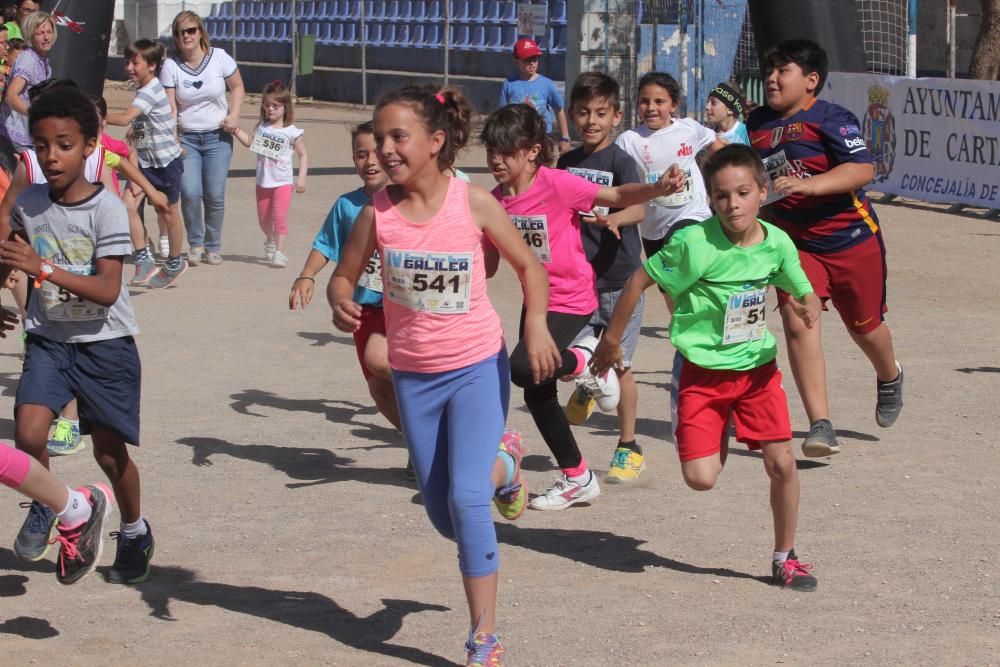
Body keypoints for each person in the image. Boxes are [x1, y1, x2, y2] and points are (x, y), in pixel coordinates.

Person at [330, 84, 560, 666]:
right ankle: (505, 464)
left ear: (436, 142)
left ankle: (484, 636)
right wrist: (338, 299)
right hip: (415, 378)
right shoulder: (375, 214)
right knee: (441, 513)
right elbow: (345, 274)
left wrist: (535, 329)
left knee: (465, 499)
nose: (384, 149)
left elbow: (530, 266)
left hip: (477, 366)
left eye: (397, 137)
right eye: (378, 138)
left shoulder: (474, 203)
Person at [592, 144, 822, 591]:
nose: (732, 204)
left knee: (783, 463)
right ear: (711, 199)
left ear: (762, 191)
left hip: (757, 371)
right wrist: (613, 338)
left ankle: (785, 557)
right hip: (702, 372)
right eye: (721, 196)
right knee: (701, 479)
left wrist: (809, 303)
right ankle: (698, 413)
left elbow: (801, 287)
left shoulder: (776, 243)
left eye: (742, 193)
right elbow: (640, 279)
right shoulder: (693, 244)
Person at [481, 103, 685, 511]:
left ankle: (587, 359)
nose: (496, 161)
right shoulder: (493, 202)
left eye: (506, 151)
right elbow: (486, 267)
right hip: (536, 302)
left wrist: (658, 189)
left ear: (533, 151)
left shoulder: (556, 183)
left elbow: (615, 195)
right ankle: (578, 477)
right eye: (491, 151)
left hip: (572, 298)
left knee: (523, 369)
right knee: (538, 395)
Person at [0, 85, 154, 585]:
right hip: (48, 339)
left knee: (109, 454)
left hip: (104, 344)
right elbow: (11, 258)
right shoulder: (29, 204)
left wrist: (42, 268)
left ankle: (133, 529)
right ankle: (49, 504)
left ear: (90, 145)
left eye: (64, 144)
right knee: (27, 432)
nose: (52, 156)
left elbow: (109, 289)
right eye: (42, 146)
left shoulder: (106, 209)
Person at [747, 39, 903, 457]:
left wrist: (810, 185)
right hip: (795, 244)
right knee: (799, 322)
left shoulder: (833, 119)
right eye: (770, 70)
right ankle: (820, 424)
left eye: (784, 71)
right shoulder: (756, 122)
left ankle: (889, 376)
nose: (772, 78)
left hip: (851, 238)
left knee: (864, 329)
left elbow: (863, 167)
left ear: (811, 80)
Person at [290, 121, 412, 468]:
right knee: (378, 389)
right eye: (361, 154)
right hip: (364, 312)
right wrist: (307, 274)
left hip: (402, 310)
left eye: (376, 152)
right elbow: (326, 245)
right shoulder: (347, 206)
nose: (370, 161)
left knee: (400, 372)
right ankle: (421, 443)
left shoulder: (408, 200)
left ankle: (435, 431)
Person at [555, 72, 649, 483]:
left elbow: (640, 208)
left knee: (620, 365)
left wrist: (616, 218)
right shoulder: (566, 163)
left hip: (619, 281)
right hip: (577, 282)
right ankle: (589, 381)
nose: (591, 121)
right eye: (583, 113)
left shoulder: (621, 162)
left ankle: (629, 447)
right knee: (568, 359)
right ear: (572, 116)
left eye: (600, 113)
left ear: (616, 116)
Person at [615, 72, 725, 306]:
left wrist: (740, 168)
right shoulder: (628, 140)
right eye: (644, 101)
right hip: (652, 226)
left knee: (685, 247)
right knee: (670, 292)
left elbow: (719, 148)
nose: (651, 108)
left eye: (659, 102)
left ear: (673, 105)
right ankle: (684, 337)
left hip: (691, 214)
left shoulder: (689, 129)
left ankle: (707, 313)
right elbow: (616, 178)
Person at [160, 10, 245, 266]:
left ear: (200, 32)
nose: (186, 36)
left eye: (190, 30)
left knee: (215, 194)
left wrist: (235, 114)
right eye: (180, 32)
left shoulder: (219, 57)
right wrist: (172, 137)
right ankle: (195, 244)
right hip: (187, 139)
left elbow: (238, 86)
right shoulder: (171, 66)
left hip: (217, 137)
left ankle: (213, 245)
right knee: (189, 192)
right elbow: (170, 106)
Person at [106, 39, 187, 289]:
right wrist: (131, 139)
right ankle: (143, 259)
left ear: (151, 66)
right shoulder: (142, 90)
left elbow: (127, 117)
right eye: (127, 62)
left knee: (168, 211)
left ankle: (175, 261)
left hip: (167, 163)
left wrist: (96, 115)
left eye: (135, 62)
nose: (129, 67)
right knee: (128, 205)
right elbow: (139, 125)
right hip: (145, 163)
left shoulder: (151, 89)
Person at [229, 80, 307, 268]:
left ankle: (280, 253)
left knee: (279, 218)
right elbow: (249, 142)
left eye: (275, 106)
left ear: (285, 107)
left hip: (283, 183)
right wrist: (235, 130)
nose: (270, 109)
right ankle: (270, 239)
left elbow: (303, 154)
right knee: (264, 220)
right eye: (267, 105)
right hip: (263, 182)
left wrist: (301, 178)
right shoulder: (261, 126)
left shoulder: (292, 132)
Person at [498, 38, 572, 156]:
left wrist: (565, 138)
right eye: (527, 60)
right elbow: (501, 115)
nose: (532, 63)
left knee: (542, 169)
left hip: (543, 137)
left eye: (534, 59)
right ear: (516, 61)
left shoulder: (547, 84)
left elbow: (559, 110)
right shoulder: (509, 84)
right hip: (518, 138)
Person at [1, 9, 54, 152]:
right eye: (40, 33)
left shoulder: (43, 61)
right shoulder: (27, 60)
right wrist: (35, 113)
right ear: (30, 36)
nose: (46, 37)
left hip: (30, 136)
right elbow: (11, 97)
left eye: (49, 32)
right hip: (14, 138)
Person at [704, 81, 750, 146]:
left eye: (713, 103)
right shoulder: (707, 135)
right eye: (707, 102)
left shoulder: (747, 134)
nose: (707, 107)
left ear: (731, 110)